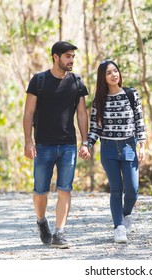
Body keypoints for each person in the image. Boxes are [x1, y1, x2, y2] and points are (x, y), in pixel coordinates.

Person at [23, 41, 91, 249]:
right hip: (43, 145)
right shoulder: (39, 81)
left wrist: (85, 141)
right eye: (67, 56)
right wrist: (28, 141)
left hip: (68, 146)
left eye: (72, 57)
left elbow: (81, 113)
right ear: (56, 57)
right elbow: (29, 113)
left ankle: (59, 233)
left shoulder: (77, 82)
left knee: (65, 189)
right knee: (40, 191)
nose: (71, 60)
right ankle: (42, 221)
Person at [86, 60, 146, 243]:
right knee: (116, 189)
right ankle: (119, 227)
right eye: (109, 73)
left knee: (132, 190)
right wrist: (87, 145)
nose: (114, 75)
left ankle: (125, 214)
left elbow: (139, 120)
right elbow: (95, 128)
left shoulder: (130, 94)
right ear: (103, 78)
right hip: (109, 148)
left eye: (115, 71)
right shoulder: (99, 101)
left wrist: (142, 145)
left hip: (129, 146)